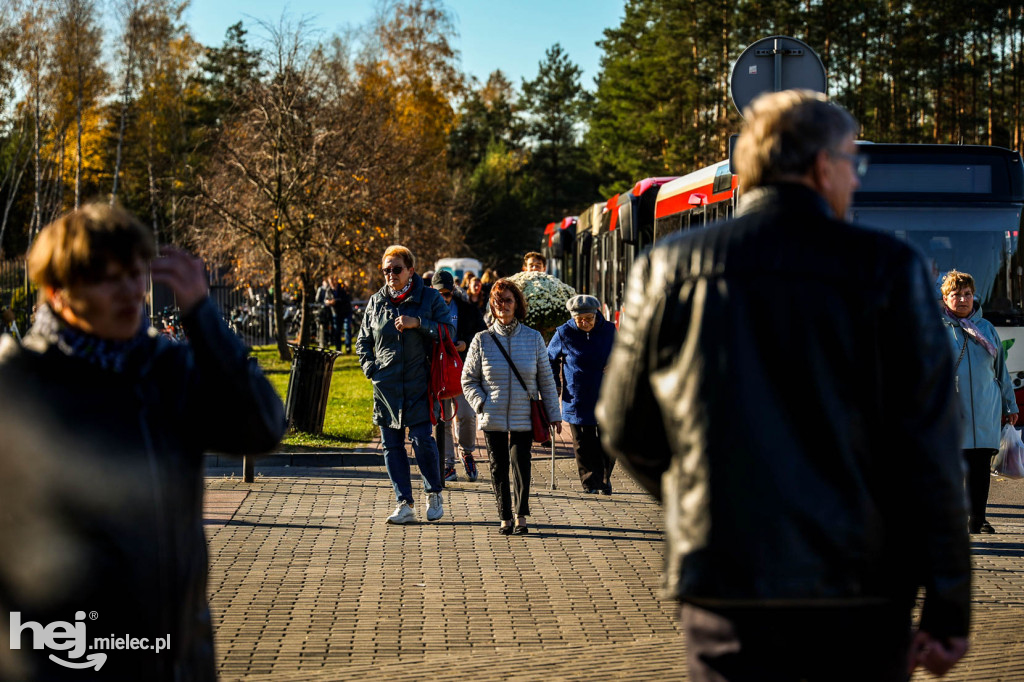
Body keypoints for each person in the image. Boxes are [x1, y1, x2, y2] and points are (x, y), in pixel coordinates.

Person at [598, 90, 970, 681]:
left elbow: (621, 424)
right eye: (855, 163)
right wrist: (948, 604)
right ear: (823, 166)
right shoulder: (888, 269)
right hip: (860, 588)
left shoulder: (668, 267)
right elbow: (930, 448)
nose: (856, 180)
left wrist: (701, 494)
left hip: (726, 581)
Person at [0, 202, 285, 680]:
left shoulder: (167, 370)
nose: (131, 291)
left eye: (136, 274)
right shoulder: (22, 382)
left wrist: (203, 316)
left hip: (176, 656)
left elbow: (260, 427)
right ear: (58, 291)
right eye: (108, 279)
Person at [357, 245, 453, 524]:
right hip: (385, 386)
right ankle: (404, 503)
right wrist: (371, 369)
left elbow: (449, 331)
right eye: (386, 270)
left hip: (419, 382)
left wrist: (419, 323)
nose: (391, 274)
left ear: (410, 270)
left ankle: (433, 492)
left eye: (396, 269)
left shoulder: (429, 297)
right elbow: (363, 341)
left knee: (422, 439)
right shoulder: (376, 302)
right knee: (391, 445)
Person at [462, 279, 562, 535]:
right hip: (493, 413)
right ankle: (504, 516)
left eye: (508, 300)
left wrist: (553, 414)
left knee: (521, 462)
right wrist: (481, 403)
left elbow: (546, 380)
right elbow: (468, 379)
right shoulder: (482, 340)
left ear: (517, 304)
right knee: (498, 465)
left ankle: (521, 515)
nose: (503, 305)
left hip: (523, 412)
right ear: (492, 307)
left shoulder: (533, 338)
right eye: (498, 301)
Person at [940, 269, 1018, 534]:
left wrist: (1011, 406)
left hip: (985, 411)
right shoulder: (936, 329)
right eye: (955, 294)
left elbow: (1000, 372)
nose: (962, 299)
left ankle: (978, 519)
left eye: (967, 294)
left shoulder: (986, 329)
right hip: (951, 414)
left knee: (980, 469)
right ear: (945, 298)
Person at [548, 295, 616, 494]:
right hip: (577, 395)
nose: (585, 323)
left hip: (606, 394)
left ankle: (604, 478)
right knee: (582, 444)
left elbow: (625, 352)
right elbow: (549, 358)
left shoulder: (610, 330)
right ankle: (589, 482)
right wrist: (555, 383)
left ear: (596, 314)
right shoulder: (564, 333)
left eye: (589, 318)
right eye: (580, 319)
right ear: (573, 317)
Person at [431, 270, 486, 482]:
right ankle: (447, 463)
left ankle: (467, 451)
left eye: (447, 294)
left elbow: (482, 334)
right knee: (443, 418)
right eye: (439, 294)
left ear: (453, 291)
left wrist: (465, 343)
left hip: (463, 367)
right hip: (439, 367)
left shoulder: (466, 309)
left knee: (466, 414)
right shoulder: (427, 309)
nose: (444, 298)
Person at [328, 277, 354, 353]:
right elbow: (326, 299)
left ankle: (348, 347)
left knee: (347, 329)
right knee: (337, 331)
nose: (332, 283)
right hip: (336, 312)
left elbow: (346, 298)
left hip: (345, 311)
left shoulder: (342, 288)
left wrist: (336, 301)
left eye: (333, 281)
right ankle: (338, 348)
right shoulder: (329, 290)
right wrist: (329, 302)